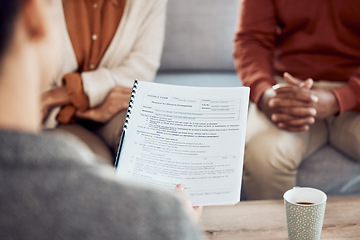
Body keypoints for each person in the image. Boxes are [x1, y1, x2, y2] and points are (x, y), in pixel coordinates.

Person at [0, 0, 203, 239]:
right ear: (35, 16)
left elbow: (140, 70)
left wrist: (64, 94)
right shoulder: (162, 220)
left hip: (113, 108)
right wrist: (174, 224)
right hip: (59, 119)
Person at [234, 0, 360, 200]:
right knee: (263, 156)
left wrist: (342, 98)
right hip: (287, 87)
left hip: (355, 90)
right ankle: (275, 231)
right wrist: (266, 95)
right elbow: (252, 40)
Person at [41, 0, 167, 164]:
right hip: (57, 116)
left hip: (115, 108)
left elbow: (142, 69)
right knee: (93, 163)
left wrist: (56, 96)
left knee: (147, 143)